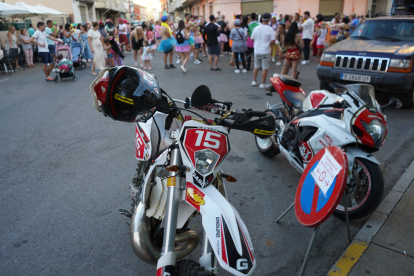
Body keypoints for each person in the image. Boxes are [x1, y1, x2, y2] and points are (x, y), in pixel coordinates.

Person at [251, 13, 276, 88]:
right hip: (266, 51)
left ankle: (254, 81)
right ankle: (262, 83)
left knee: (256, 66)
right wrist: (267, 43)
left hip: (257, 50)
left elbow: (252, 39)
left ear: (262, 19)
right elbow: (273, 41)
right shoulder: (270, 29)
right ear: (269, 20)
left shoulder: (256, 28)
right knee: (265, 67)